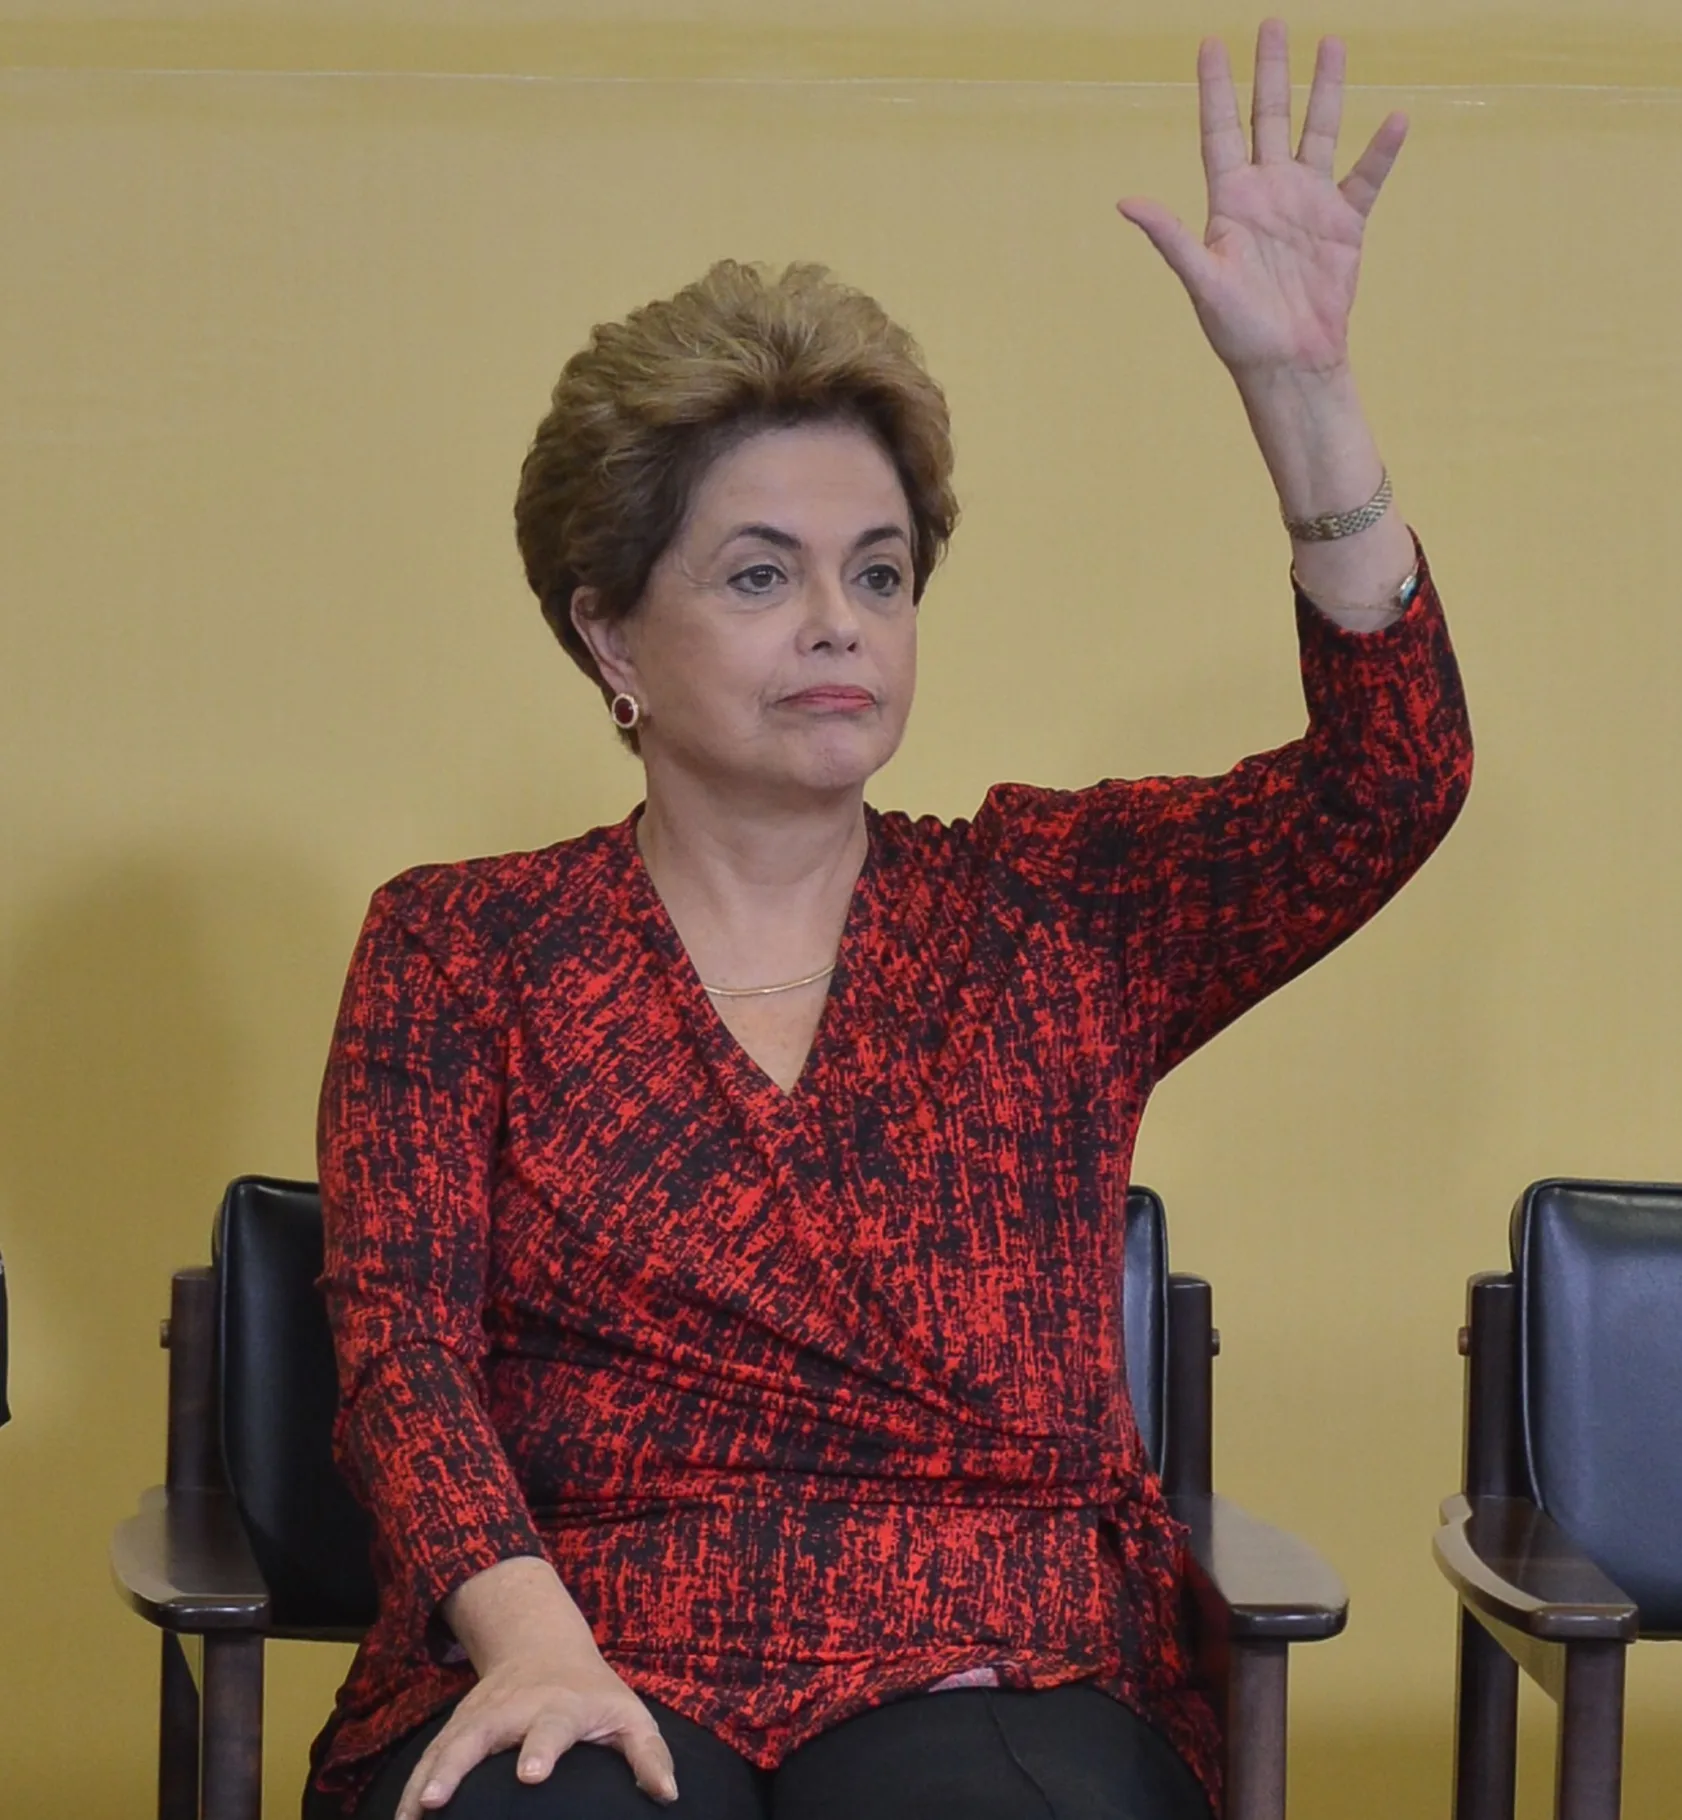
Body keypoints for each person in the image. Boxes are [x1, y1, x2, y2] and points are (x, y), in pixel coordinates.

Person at [307, 21, 1470, 1820]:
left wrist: (1303, 401)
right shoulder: (463, 947)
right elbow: (403, 1349)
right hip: (580, 1628)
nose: (838, 624)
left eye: (879, 574)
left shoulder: (1055, 911)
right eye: (760, 575)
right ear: (609, 633)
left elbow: (1389, 779)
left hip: (998, 1643)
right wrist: (526, 1630)